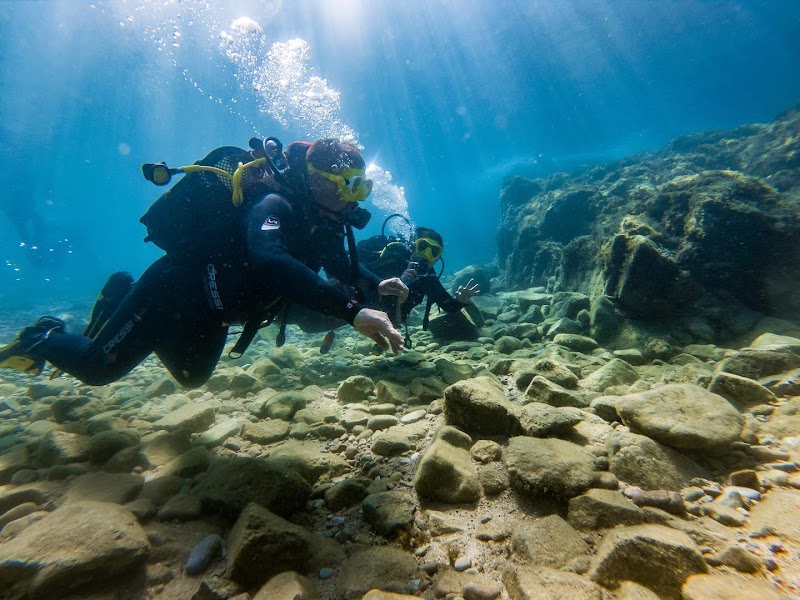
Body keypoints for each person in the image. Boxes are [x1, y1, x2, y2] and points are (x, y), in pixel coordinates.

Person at [0, 138, 407, 386]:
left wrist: (376, 284)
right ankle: (44, 336)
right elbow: (270, 262)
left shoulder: (323, 221)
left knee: (192, 380)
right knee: (98, 367)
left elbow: (342, 268)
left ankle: (120, 305)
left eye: (361, 188)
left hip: (213, 315)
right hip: (173, 291)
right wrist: (352, 311)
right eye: (349, 187)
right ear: (317, 179)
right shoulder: (273, 204)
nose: (355, 199)